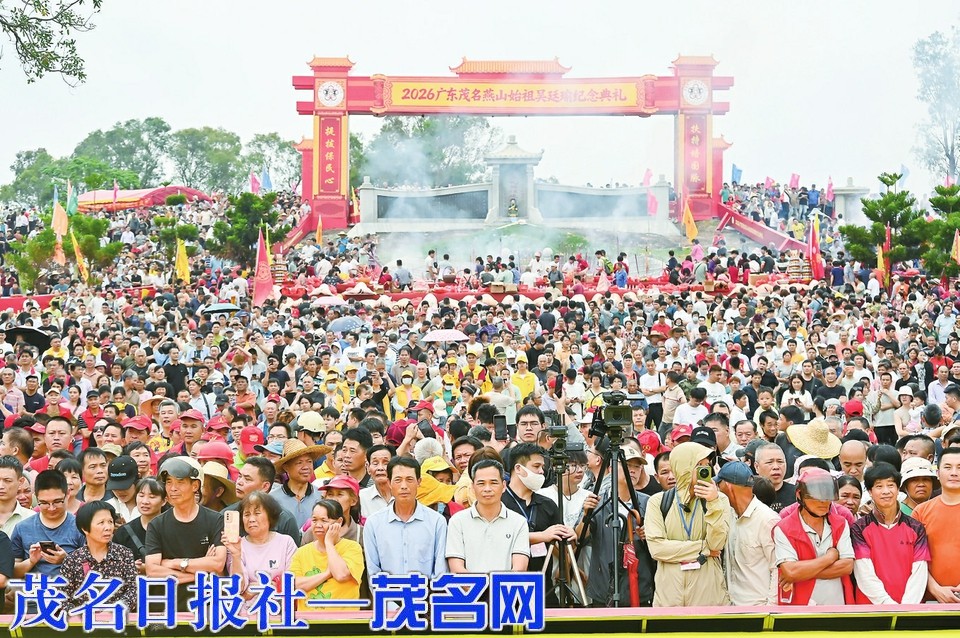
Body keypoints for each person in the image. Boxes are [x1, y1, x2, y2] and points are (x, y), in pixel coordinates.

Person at [645, 442, 730, 607]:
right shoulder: (658, 502)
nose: (705, 471)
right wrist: (704, 549)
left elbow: (717, 544)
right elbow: (657, 549)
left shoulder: (719, 500)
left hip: (709, 599)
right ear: (683, 467)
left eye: (707, 466)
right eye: (699, 466)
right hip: (669, 600)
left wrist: (713, 503)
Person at [145, 457, 226, 611]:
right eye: (168, 482)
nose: (172, 488)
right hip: (166, 605)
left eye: (180, 482)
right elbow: (153, 571)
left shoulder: (215, 519)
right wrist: (200, 574)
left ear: (195, 485)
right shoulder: (156, 525)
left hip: (205, 604)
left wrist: (175, 563)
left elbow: (217, 564)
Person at [851, 462, 930, 604]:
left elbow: (920, 571)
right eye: (879, 486)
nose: (886, 491)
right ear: (870, 491)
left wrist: (906, 607)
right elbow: (864, 573)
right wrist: (888, 605)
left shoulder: (916, 528)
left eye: (890, 485)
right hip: (870, 608)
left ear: (898, 488)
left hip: (911, 609)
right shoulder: (859, 529)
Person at [773, 468, 855, 605]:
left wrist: (802, 573)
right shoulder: (783, 528)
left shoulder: (840, 523)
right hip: (800, 609)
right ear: (800, 495)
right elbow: (791, 571)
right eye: (816, 497)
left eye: (827, 496)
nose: (823, 502)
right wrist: (830, 558)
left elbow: (847, 566)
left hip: (837, 607)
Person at [363, 457, 448, 578]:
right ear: (389, 483)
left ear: (419, 482)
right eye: (398, 480)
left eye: (409, 480)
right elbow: (373, 570)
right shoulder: (374, 523)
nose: (404, 486)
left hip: (426, 595)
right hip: (387, 595)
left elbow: (440, 570)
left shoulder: (436, 521)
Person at [446, 458, 530, 573]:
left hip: (506, 590)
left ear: (504, 485)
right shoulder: (457, 521)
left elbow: (519, 569)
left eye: (494, 483)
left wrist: (495, 590)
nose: (487, 489)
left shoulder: (518, 522)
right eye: (481, 483)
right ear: (472, 486)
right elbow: (457, 568)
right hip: (470, 590)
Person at [715, 461, 779, 606]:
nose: (717, 489)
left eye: (719, 485)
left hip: (758, 608)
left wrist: (770, 609)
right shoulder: (728, 514)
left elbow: (778, 568)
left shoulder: (768, 519)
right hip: (730, 606)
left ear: (728, 487)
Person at [59, 501, 138, 612]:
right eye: (101, 523)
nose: (108, 527)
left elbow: (133, 589)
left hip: (118, 621)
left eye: (110, 522)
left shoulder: (124, 554)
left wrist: (115, 609)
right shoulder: (72, 560)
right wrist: (81, 612)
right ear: (85, 529)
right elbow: (62, 597)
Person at [291, 498, 365, 610]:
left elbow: (341, 575)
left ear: (339, 522)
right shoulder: (301, 552)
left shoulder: (352, 548)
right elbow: (294, 585)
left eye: (324, 521)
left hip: (343, 619)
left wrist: (329, 543)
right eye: (314, 520)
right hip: (308, 620)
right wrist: (327, 574)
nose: (318, 525)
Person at [223, 491, 297, 601]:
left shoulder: (286, 542)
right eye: (247, 515)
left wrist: (258, 587)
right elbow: (238, 589)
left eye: (257, 513)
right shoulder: (237, 546)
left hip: (280, 610)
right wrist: (236, 556)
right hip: (245, 612)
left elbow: (292, 582)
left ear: (270, 516)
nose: (251, 519)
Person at [11, 469, 84, 577]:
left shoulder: (80, 527)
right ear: (36, 497)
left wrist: (67, 560)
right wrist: (31, 561)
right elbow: (12, 572)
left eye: (57, 501)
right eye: (44, 503)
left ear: (68, 494)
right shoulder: (22, 528)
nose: (51, 508)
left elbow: (94, 570)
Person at [912, 447, 960, 603]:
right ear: (938, 474)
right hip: (931, 598)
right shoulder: (921, 512)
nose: (954, 472)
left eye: (959, 468)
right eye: (947, 467)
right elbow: (913, 558)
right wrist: (934, 588)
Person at [270, 439, 332, 528]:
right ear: (286, 467)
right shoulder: (273, 499)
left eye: (309, 462)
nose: (306, 467)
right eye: (299, 463)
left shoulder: (321, 496)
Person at [113, 477, 165, 571]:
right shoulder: (124, 532)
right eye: (141, 495)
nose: (145, 501)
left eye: (152, 497)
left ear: (164, 501)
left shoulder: (174, 528)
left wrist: (149, 568)